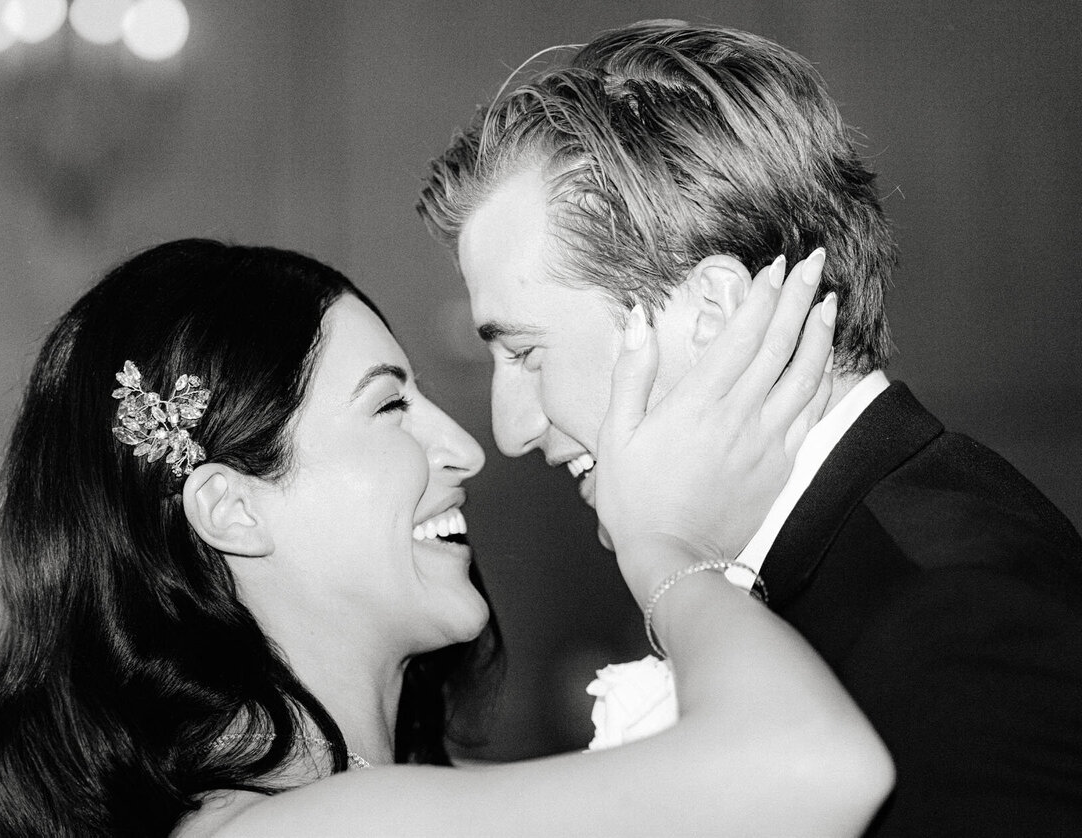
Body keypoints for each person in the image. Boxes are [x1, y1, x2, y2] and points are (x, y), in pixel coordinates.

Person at [0, 239, 892, 836]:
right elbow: (815, 768)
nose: (465, 448)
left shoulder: (411, 794)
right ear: (233, 509)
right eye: (389, 406)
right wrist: (666, 546)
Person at [418, 18, 1082, 835]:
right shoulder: (852, 558)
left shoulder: (961, 622)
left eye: (525, 352)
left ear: (712, 311)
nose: (509, 430)